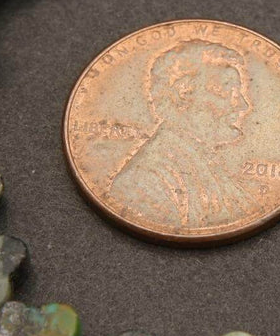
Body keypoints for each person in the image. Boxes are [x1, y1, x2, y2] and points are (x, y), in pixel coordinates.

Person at [108, 39, 260, 229]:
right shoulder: (143, 181)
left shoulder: (202, 163)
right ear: (184, 95)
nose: (242, 106)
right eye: (228, 93)